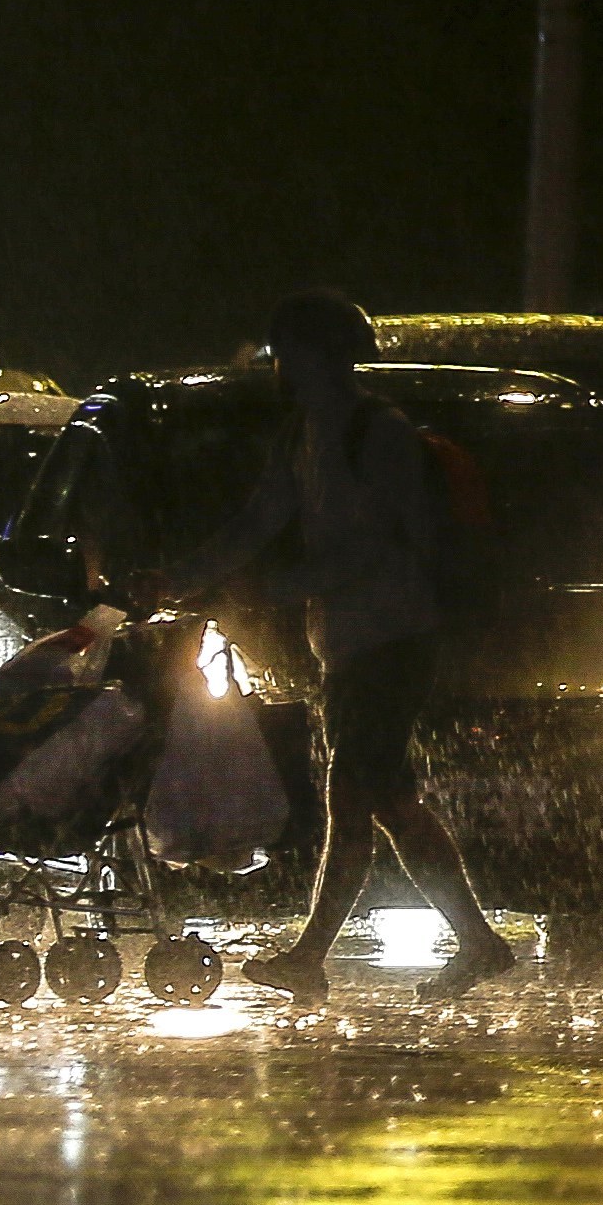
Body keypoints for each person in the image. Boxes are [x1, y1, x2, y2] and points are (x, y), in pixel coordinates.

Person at [167, 288, 515, 1001]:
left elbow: (383, 547)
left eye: (289, 351)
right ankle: (477, 942)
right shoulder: (304, 433)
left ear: (315, 355)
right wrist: (178, 579)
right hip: (350, 647)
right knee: (388, 803)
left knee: (356, 797)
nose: (282, 365)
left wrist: (280, 587)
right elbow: (258, 518)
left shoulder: (377, 434)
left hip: (392, 641)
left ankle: (311, 957)